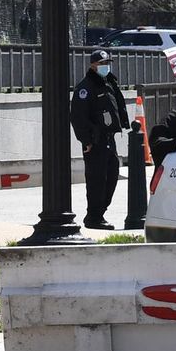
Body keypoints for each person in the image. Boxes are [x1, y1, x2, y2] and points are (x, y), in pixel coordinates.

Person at [70, 48, 128, 230]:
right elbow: (78, 117)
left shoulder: (108, 83)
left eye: (107, 64)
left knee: (111, 176)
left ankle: (100, 212)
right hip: (95, 141)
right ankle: (94, 217)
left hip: (109, 138)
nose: (105, 67)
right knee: (97, 179)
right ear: (93, 65)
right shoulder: (85, 87)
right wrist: (86, 140)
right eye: (102, 64)